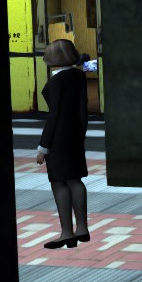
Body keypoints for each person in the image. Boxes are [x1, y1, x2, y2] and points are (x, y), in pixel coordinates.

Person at [37, 38, 91, 249]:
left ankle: (67, 233)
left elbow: (54, 115)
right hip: (75, 137)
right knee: (75, 180)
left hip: (58, 139)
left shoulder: (57, 81)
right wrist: (80, 134)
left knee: (59, 182)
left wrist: (43, 146)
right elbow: (83, 109)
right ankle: (82, 229)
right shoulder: (79, 76)